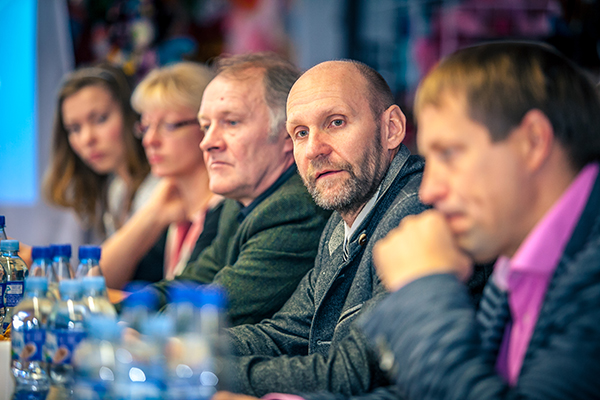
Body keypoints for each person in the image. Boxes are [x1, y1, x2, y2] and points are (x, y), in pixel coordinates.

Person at [361, 41, 600, 399]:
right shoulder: (515, 256)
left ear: (532, 142)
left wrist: (422, 289)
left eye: (450, 154)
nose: (428, 191)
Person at [217, 60, 434, 397]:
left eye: (336, 122)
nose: (315, 149)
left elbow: (354, 372)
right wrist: (179, 345)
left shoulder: (417, 212)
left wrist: (204, 369)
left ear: (391, 128)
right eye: (301, 133)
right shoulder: (345, 215)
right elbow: (286, 333)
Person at [138, 53, 331, 326]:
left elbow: (209, 311)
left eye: (231, 122)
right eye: (205, 126)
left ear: (287, 135)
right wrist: (118, 309)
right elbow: (191, 283)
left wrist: (130, 325)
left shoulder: (294, 208)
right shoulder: (238, 200)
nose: (207, 143)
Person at [99, 62, 223, 288]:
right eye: (146, 126)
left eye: (168, 125)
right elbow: (98, 281)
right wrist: (152, 214)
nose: (150, 140)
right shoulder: (170, 206)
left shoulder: (226, 211)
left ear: (207, 125)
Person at [44, 64, 158, 239]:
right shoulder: (117, 190)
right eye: (74, 129)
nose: (87, 139)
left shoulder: (159, 187)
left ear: (132, 115)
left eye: (100, 119)